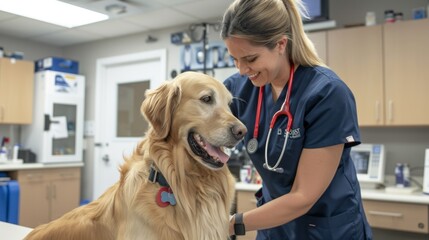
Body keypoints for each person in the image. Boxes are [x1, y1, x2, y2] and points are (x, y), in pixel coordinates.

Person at [221, 0, 372, 239]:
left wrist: (228, 224)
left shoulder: (327, 93)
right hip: (275, 226)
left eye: (250, 59)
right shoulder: (240, 88)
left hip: (325, 229)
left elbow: (303, 197)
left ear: (281, 44)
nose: (241, 70)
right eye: (234, 59)